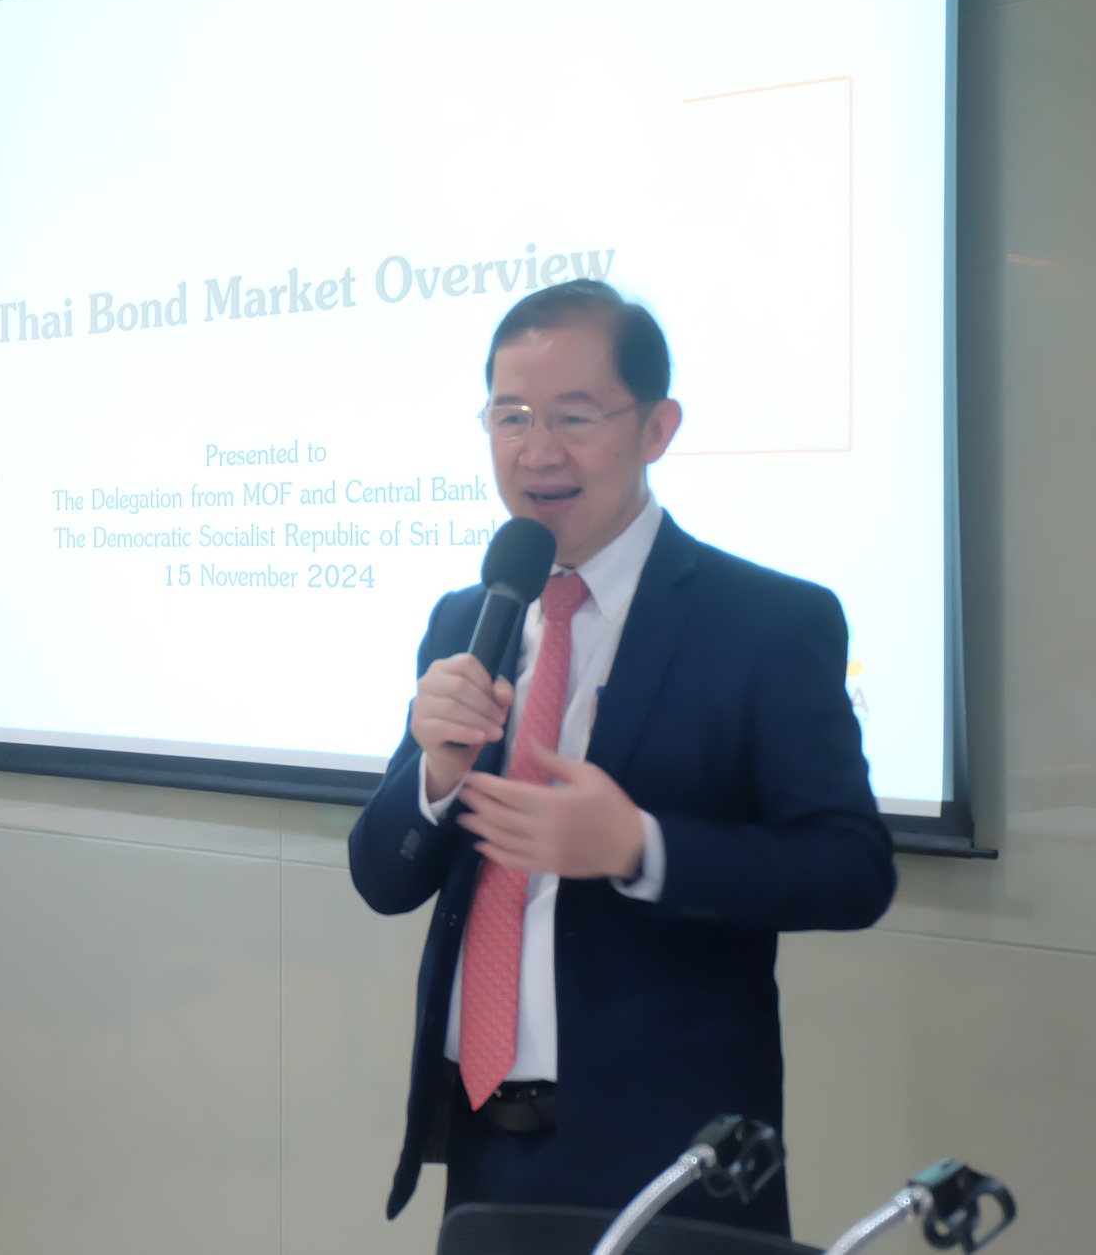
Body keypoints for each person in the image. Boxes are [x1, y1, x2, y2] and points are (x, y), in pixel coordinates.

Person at [347, 279, 896, 1238]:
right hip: (483, 1141)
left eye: (575, 416)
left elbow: (852, 870)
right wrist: (435, 776)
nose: (537, 450)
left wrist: (638, 845)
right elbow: (383, 878)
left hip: (672, 1152)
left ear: (656, 428)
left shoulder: (766, 623)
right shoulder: (468, 618)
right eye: (510, 416)